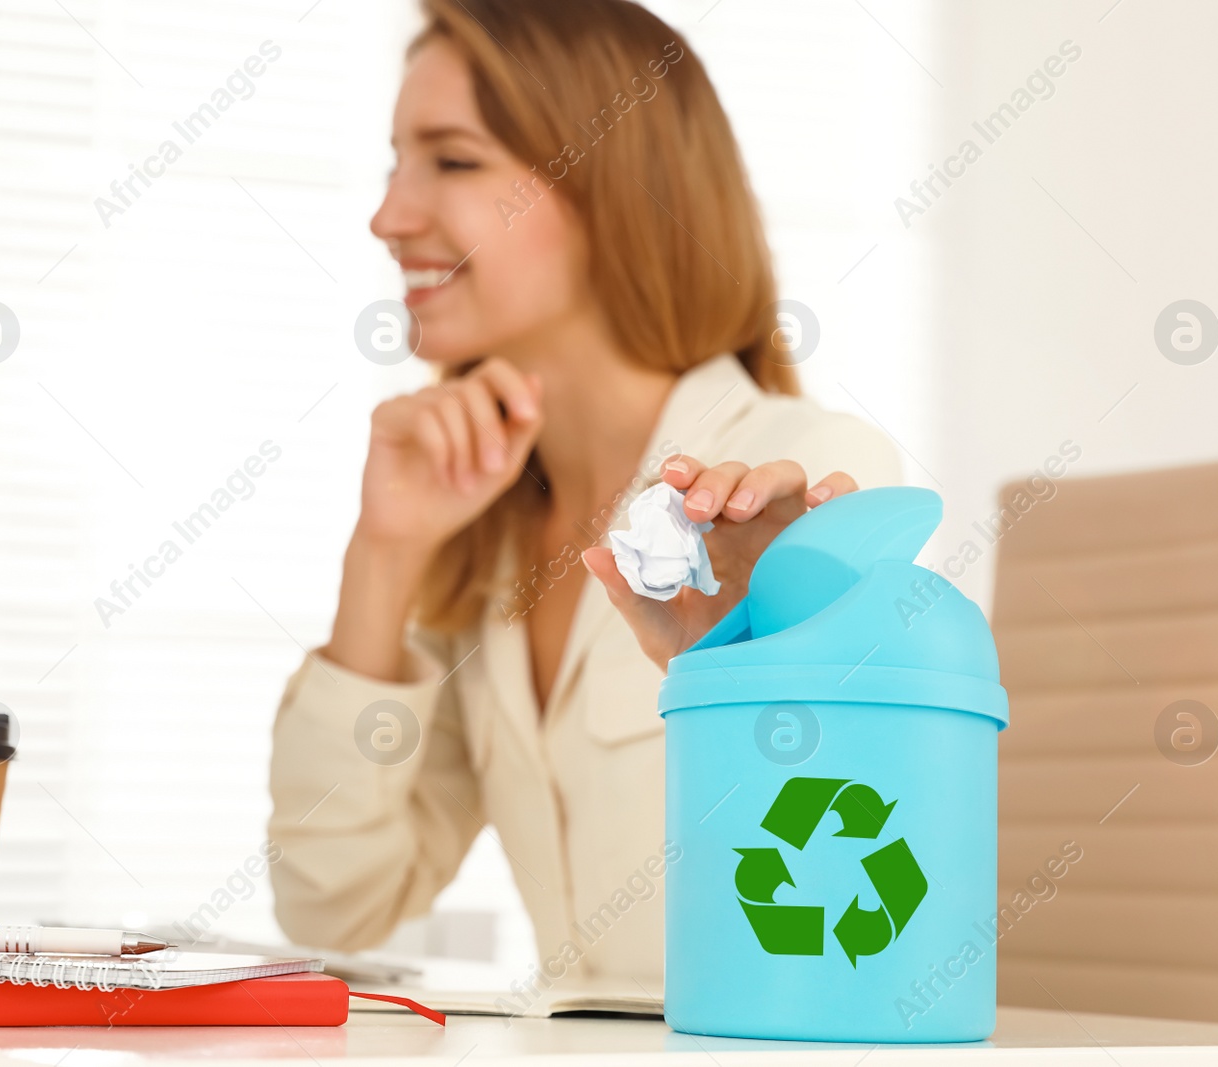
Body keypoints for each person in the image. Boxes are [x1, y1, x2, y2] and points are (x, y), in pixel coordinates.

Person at [268, 0, 901, 985]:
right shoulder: (482, 538)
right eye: (397, 160)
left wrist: (748, 660)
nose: (388, 215)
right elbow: (334, 900)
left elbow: (873, 891)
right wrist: (383, 556)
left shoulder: (807, 475)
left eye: (454, 160)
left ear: (613, 187)